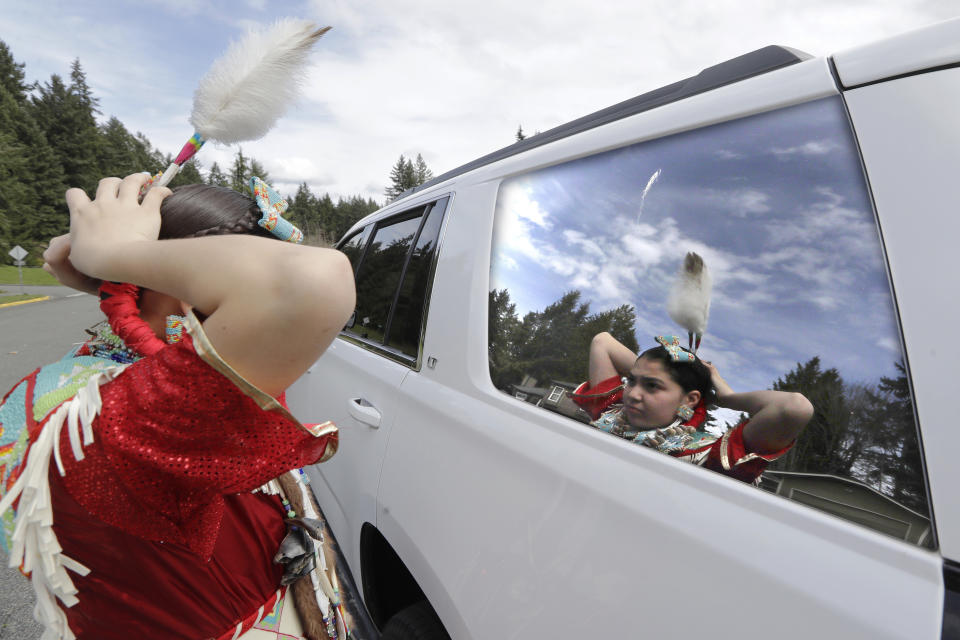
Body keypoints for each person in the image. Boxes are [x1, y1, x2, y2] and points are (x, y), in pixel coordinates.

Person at [0, 173, 355, 640]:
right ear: (189, 296)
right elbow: (307, 283)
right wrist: (112, 256)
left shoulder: (117, 381)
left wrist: (123, 284)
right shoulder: (118, 419)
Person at [571, 332, 813, 483]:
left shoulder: (710, 457)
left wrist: (727, 396)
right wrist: (663, 362)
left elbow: (794, 408)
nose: (633, 395)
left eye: (652, 386)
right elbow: (602, 341)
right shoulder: (612, 413)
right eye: (631, 381)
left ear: (690, 400)